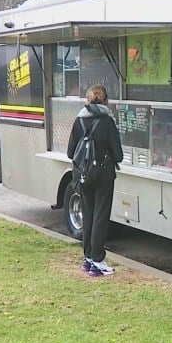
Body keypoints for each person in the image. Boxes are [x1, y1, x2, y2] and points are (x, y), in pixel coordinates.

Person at [67, 84, 124, 276]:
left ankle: (88, 259)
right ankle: (98, 260)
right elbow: (118, 155)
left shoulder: (79, 120)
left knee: (88, 214)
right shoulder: (107, 122)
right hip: (103, 174)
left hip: (82, 174)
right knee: (101, 215)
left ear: (87, 100)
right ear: (106, 100)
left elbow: (70, 152)